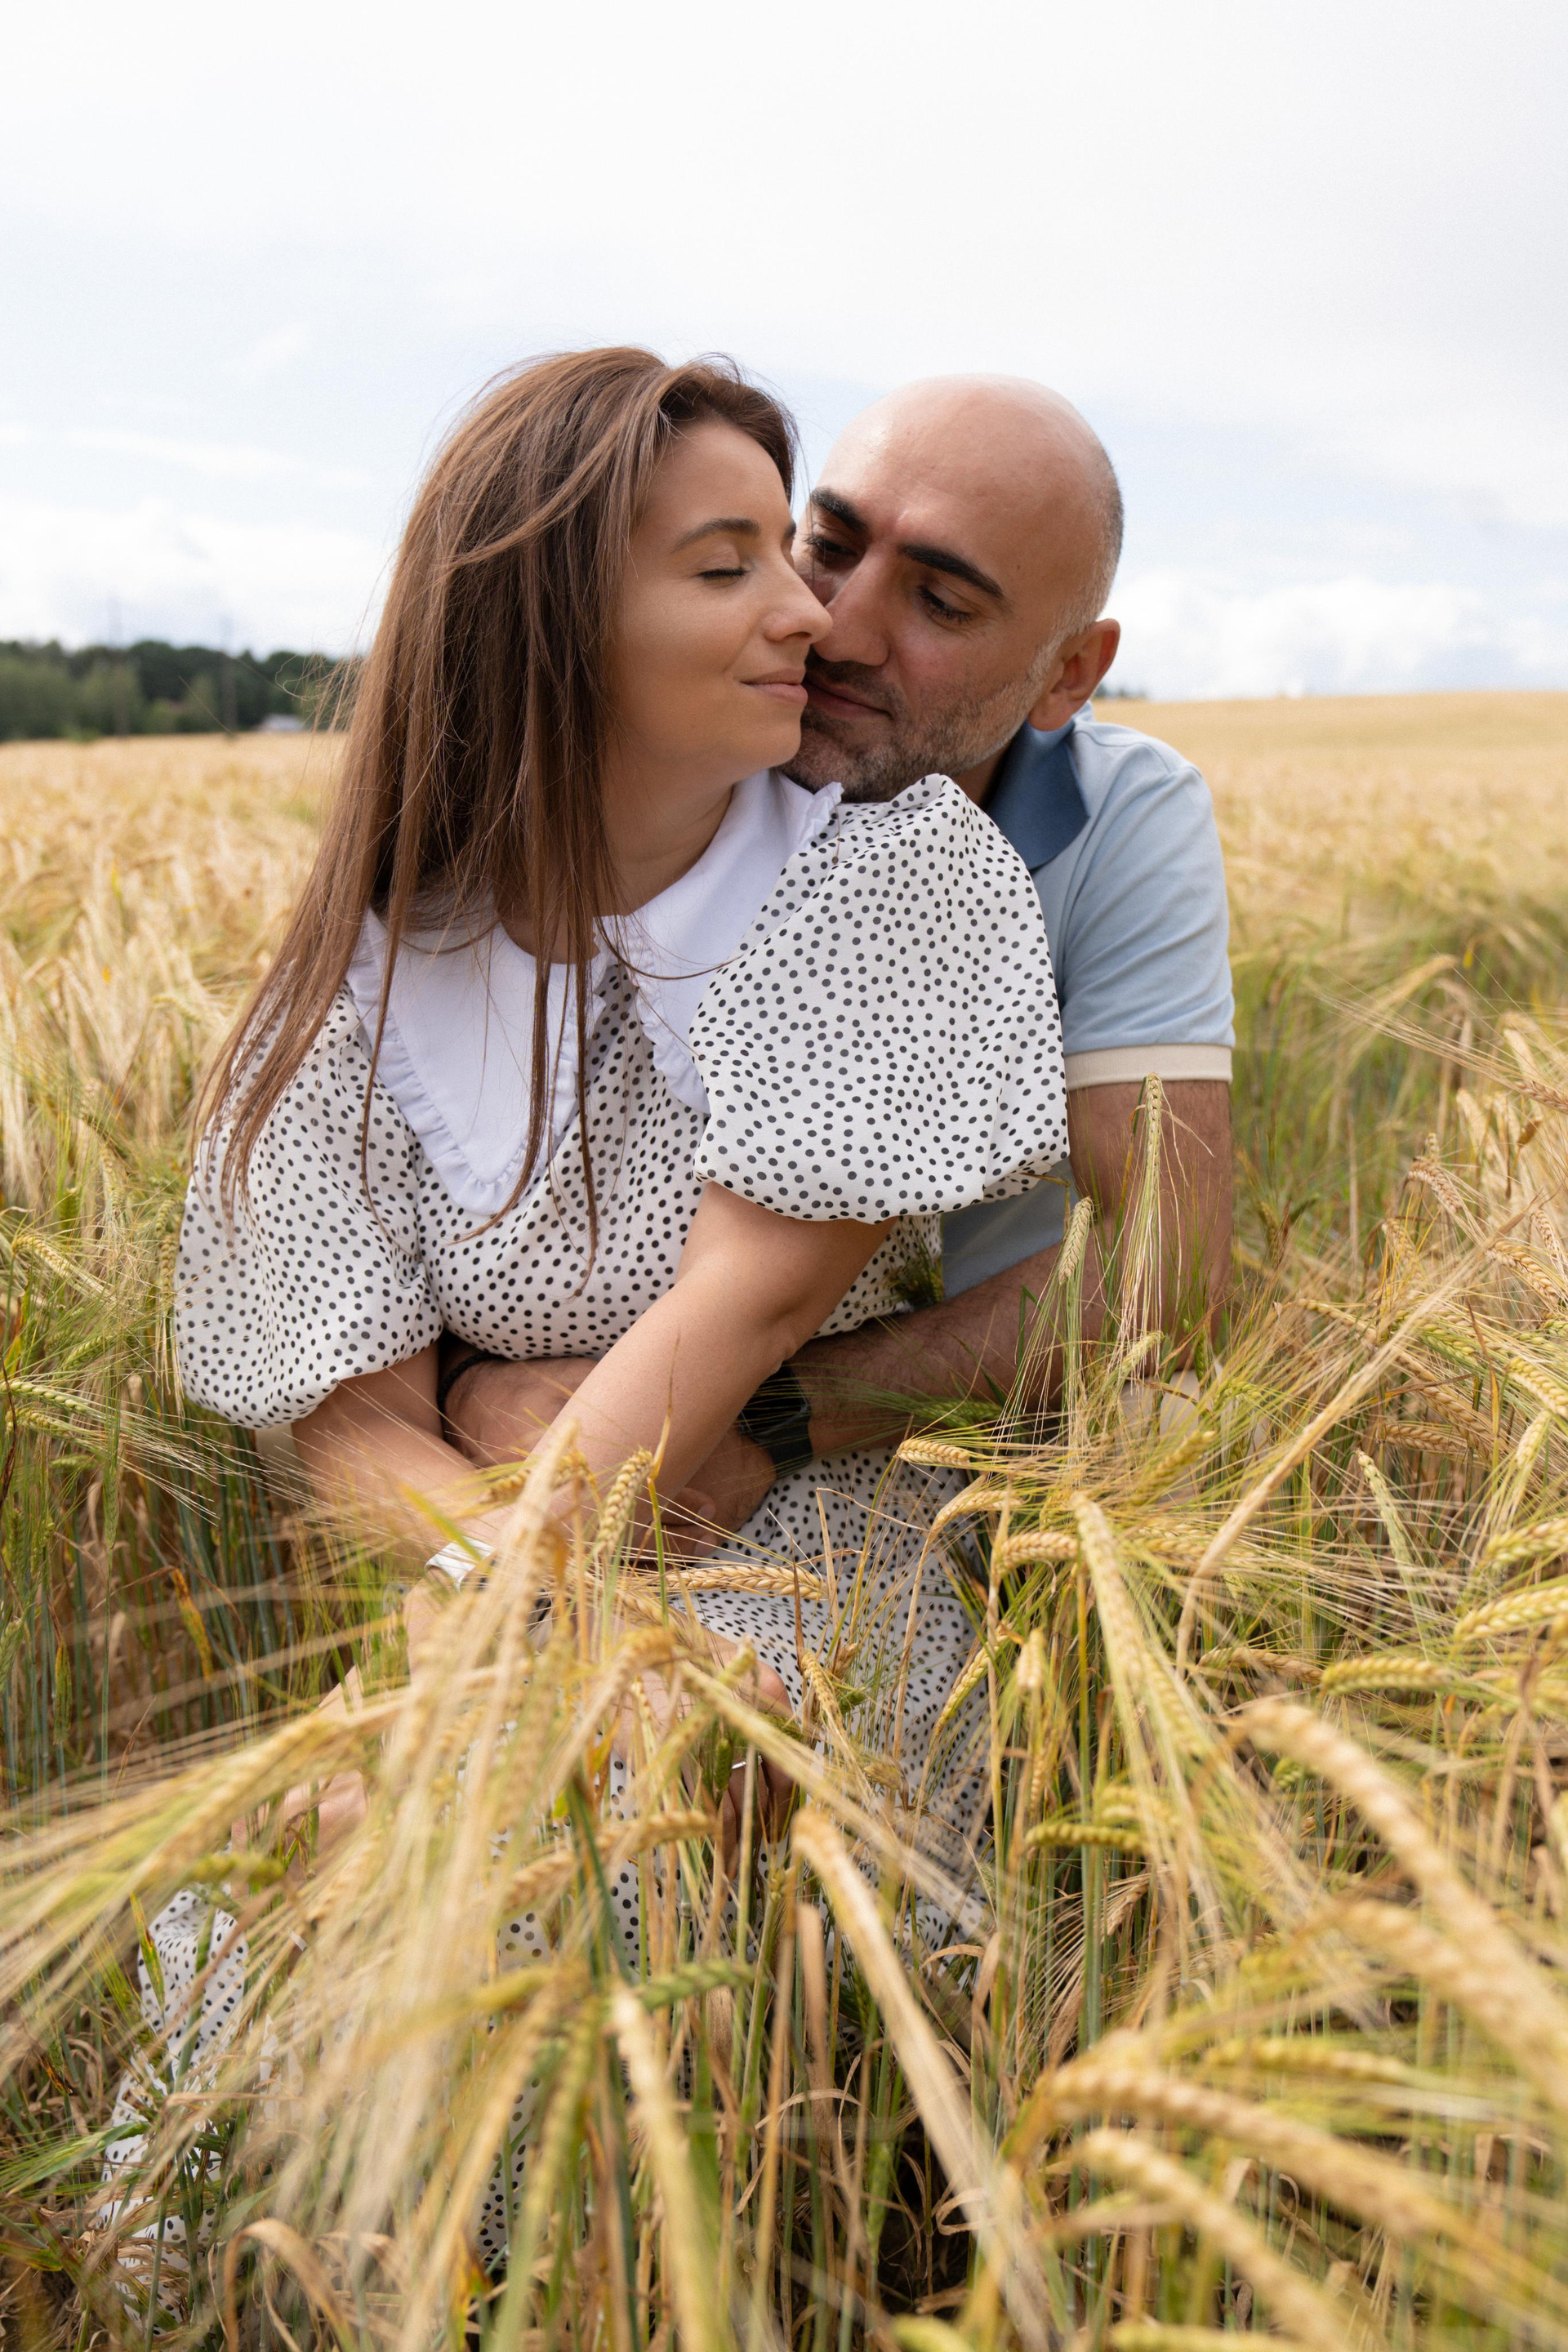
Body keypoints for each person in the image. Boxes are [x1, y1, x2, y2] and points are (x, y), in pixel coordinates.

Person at [172, 345, 1069, 1848]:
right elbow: (351, 1426)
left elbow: (751, 1302)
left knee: (615, 1833)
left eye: (784, 548)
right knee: (325, 1876)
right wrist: (521, 1608)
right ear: (551, 623)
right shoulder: (363, 972)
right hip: (499, 1580)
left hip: (805, 1563)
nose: (808, 613)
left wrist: (515, 1624)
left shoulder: (893, 879)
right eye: (728, 568)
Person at [445, 375, 1234, 1531]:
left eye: (940, 604)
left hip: (962, 1408)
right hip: (605, 1388)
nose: (835, 629)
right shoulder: (685, 746)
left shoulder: (1120, 816)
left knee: (1165, 1429)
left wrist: (769, 1418)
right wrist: (469, 1385)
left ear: (1070, 672)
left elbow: (1170, 1259)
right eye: (827, 546)